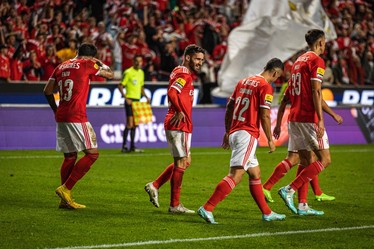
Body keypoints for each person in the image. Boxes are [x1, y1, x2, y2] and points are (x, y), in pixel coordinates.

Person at [198, 58, 286, 224]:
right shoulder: (265, 86)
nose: (276, 80)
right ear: (275, 72)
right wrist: (270, 139)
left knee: (255, 173)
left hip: (236, 131)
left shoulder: (243, 81)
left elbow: (229, 107)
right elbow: (265, 115)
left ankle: (267, 212)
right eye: (277, 77)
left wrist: (227, 131)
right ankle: (208, 207)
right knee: (236, 175)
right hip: (247, 133)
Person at [43, 43, 114, 209]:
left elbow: (47, 90)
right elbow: (109, 75)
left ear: (76, 52)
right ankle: (66, 189)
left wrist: (56, 109)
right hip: (77, 116)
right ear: (90, 56)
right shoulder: (88, 63)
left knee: (69, 156)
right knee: (92, 154)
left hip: (61, 115)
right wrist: (100, 63)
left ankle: (64, 200)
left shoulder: (61, 66)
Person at [277, 29, 335, 216]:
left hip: (294, 117)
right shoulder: (316, 61)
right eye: (324, 42)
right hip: (309, 117)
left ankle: (302, 205)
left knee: (305, 160)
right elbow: (316, 91)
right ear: (319, 43)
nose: (325, 45)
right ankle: (289, 189)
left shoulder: (297, 62)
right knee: (325, 159)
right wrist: (321, 120)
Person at [144, 44, 205, 213]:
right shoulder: (184, 73)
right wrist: (179, 110)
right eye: (197, 59)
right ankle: (174, 205)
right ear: (187, 57)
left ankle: (155, 185)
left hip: (177, 122)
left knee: (185, 161)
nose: (200, 62)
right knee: (182, 162)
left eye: (202, 60)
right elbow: (172, 93)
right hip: (179, 122)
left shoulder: (179, 71)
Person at [263, 94, 343, 204]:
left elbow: (283, 101)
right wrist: (332, 115)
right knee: (319, 159)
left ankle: (310, 197)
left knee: (300, 158)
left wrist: (278, 125)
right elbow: (317, 96)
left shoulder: (294, 79)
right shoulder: (311, 78)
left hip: (294, 120)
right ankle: (289, 191)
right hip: (308, 120)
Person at [118, 54, 150, 153]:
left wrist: (146, 97)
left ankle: (132, 146)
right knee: (129, 124)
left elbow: (141, 87)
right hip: (130, 100)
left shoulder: (141, 72)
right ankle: (124, 146)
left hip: (137, 101)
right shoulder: (128, 72)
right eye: (136, 61)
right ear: (133, 62)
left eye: (140, 61)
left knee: (135, 124)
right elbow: (120, 85)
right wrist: (126, 97)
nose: (138, 63)